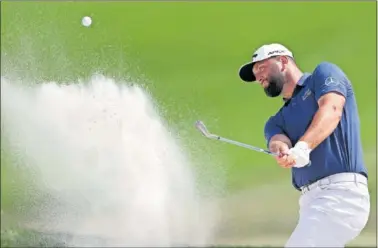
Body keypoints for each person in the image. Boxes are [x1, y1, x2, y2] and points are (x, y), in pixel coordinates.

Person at [238, 43, 370, 247]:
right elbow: (277, 140)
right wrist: (281, 149)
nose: (258, 77)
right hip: (310, 202)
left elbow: (332, 109)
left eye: (261, 68)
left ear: (282, 62)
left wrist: (302, 148)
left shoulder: (323, 75)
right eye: (255, 74)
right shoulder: (276, 120)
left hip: (341, 195)